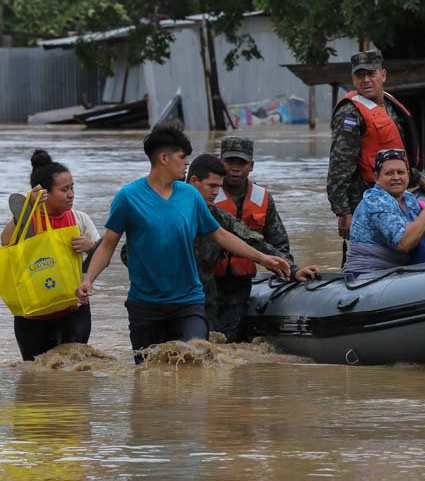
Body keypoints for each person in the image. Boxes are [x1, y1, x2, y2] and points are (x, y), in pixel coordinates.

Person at [75, 122, 291, 362]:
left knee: (196, 360)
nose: (187, 162)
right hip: (145, 305)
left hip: (188, 302)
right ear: (164, 159)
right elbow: (108, 245)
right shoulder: (128, 198)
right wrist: (88, 280)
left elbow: (220, 234)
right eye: (182, 157)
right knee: (148, 376)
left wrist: (263, 258)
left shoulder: (189, 196)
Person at [186, 154, 319, 336]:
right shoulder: (168, 210)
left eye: (218, 186)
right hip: (175, 298)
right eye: (212, 186)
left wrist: (293, 270)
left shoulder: (214, 215)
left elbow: (251, 239)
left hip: (205, 299)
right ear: (194, 181)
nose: (217, 192)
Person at [327, 48, 425, 240]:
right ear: (353, 79)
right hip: (366, 202)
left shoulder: (390, 106)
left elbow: (396, 159)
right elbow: (339, 168)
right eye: (360, 75)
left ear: (383, 75)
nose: (366, 80)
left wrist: (424, 181)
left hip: (396, 199)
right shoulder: (349, 113)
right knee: (374, 254)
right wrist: (343, 212)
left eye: (371, 74)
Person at [1, 150, 100, 361]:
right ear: (44, 193)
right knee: (35, 376)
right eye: (64, 190)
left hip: (73, 309)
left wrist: (91, 246)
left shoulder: (78, 218)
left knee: (75, 368)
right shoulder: (26, 222)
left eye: (72, 187)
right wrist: (28, 207)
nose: (71, 194)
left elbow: (103, 254)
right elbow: (6, 244)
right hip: (32, 314)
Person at [214, 136, 298, 340]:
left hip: (239, 283)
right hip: (207, 279)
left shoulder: (262, 198)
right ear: (220, 163)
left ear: (251, 165)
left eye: (241, 163)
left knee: (229, 336)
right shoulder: (205, 193)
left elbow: (277, 242)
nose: (235, 168)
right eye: (229, 162)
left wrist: (291, 271)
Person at [341, 149, 425, 276]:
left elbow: (423, 227)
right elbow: (404, 244)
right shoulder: (375, 201)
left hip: (397, 271)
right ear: (376, 177)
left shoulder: (408, 198)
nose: (396, 177)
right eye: (389, 173)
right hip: (367, 274)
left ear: (408, 175)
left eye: (401, 172)